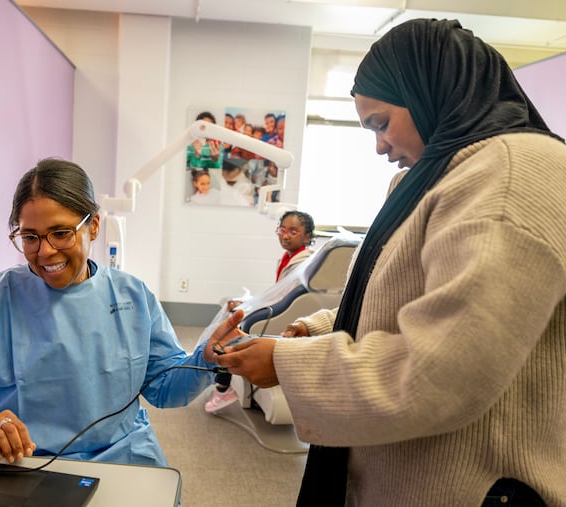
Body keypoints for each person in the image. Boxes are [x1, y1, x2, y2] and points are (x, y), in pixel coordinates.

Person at [207, 18, 566, 505]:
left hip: (473, 484)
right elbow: (401, 298)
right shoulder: (431, 178)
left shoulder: (510, 173)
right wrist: (314, 331)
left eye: (381, 123)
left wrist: (288, 366)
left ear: (429, 90)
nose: (379, 145)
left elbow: (442, 371)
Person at [0, 158, 220, 467]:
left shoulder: (133, 298)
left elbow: (167, 389)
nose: (45, 251)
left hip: (123, 460)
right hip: (22, 466)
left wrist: (209, 356)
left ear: (93, 226)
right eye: (30, 237)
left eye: (60, 233)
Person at [205, 211, 315, 413]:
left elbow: (282, 299)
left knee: (232, 321)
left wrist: (247, 307)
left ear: (307, 236)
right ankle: (221, 378)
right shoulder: (289, 257)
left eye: (293, 231)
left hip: (284, 316)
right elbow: (277, 293)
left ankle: (223, 386)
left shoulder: (303, 262)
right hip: (282, 308)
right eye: (282, 230)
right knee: (232, 309)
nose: (285, 235)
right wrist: (247, 302)